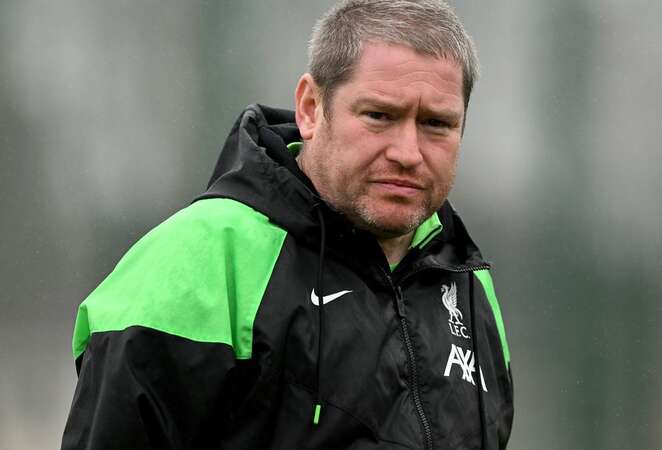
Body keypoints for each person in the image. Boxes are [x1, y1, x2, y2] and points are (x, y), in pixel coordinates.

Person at [62, 1, 513, 449]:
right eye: (380, 116)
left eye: (437, 124)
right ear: (312, 108)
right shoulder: (193, 263)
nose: (408, 152)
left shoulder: (467, 283)